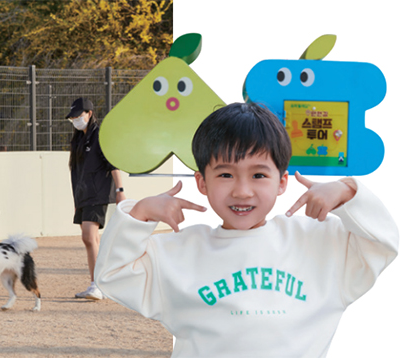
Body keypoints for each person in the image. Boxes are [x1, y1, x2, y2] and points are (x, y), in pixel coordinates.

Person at [94, 102, 398, 357]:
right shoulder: (178, 252)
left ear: (282, 182)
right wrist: (139, 214)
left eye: (258, 175)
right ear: (202, 182)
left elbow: (382, 244)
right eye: (225, 174)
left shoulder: (319, 243)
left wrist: (348, 192)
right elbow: (112, 274)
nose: (242, 191)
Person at [66, 97, 125, 300]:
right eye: (72, 117)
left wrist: (120, 189)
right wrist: (76, 202)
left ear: (89, 114)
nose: (75, 119)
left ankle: (97, 284)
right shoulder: (78, 140)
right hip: (83, 196)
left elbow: (112, 163)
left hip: (97, 194)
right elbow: (75, 173)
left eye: (78, 115)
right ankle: (99, 283)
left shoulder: (100, 135)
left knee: (88, 237)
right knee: (92, 239)